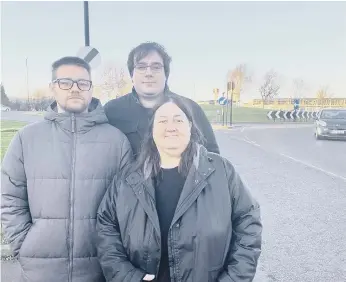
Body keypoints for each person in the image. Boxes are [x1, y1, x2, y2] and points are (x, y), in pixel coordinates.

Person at [96, 95, 262, 282]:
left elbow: (248, 222)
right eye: (163, 120)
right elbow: (106, 227)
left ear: (190, 126)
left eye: (178, 119)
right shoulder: (127, 179)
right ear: (151, 130)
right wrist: (128, 276)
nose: (171, 126)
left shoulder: (222, 171)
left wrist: (233, 278)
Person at [1, 56, 132, 282]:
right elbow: (9, 197)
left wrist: (115, 253)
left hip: (99, 269)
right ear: (53, 87)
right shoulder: (27, 139)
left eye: (83, 83)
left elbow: (129, 207)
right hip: (39, 272)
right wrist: (25, 245)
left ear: (91, 89)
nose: (75, 89)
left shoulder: (116, 141)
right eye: (65, 82)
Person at [103, 41, 220, 159]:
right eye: (141, 67)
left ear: (166, 74)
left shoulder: (190, 108)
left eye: (156, 67)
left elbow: (213, 157)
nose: (149, 73)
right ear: (132, 75)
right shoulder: (111, 111)